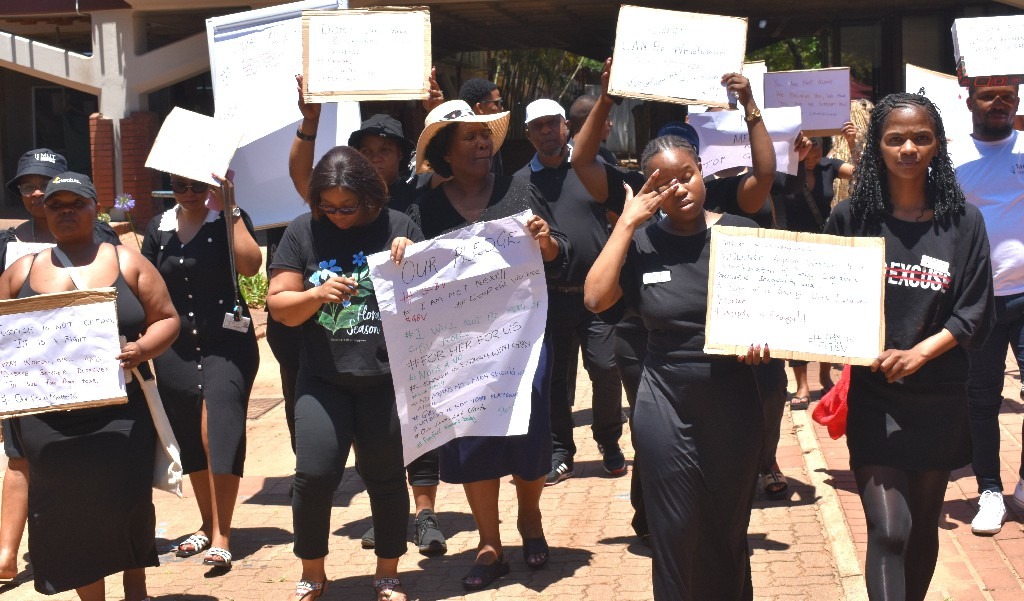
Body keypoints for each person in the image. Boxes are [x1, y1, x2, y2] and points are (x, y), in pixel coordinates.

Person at [583, 131, 771, 600]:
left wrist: (766, 340)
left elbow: (779, 314)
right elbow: (595, 297)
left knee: (726, 527)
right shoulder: (642, 243)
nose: (679, 188)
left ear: (702, 171)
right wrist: (627, 223)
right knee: (674, 529)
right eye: (664, 183)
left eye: (686, 175)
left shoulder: (741, 233)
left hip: (733, 400)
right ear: (650, 189)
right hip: (665, 401)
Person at [823, 93, 993, 600]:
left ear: (938, 145)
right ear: (877, 147)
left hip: (940, 395)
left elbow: (974, 309)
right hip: (875, 397)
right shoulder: (851, 217)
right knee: (890, 528)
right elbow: (823, 298)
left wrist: (921, 353)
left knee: (920, 527)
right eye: (895, 139)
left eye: (921, 137)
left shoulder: (964, 222)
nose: (908, 148)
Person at [408, 99, 570, 590]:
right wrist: (402, 252)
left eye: (485, 136)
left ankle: (530, 519)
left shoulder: (520, 190)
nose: (482, 143)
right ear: (446, 152)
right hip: (459, 350)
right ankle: (489, 544)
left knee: (528, 431)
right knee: (473, 436)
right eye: (469, 137)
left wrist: (545, 240)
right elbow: (413, 275)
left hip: (522, 339)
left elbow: (560, 252)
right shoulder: (424, 209)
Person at [288, 78, 448, 556]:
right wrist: (310, 121)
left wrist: (433, 111)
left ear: (402, 155)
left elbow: (446, 163)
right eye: (367, 151)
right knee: (364, 460)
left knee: (408, 445)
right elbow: (304, 179)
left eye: (386, 150)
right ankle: (388, 520)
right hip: (337, 359)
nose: (376, 158)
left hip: (398, 352)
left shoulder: (415, 195)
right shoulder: (327, 203)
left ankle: (422, 513)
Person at [0, 172, 178, 599]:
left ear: (94, 209)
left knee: (127, 502)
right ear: (44, 211)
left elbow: (167, 318)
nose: (65, 212)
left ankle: (135, 589)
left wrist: (141, 349)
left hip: (120, 414)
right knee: (67, 514)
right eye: (56, 205)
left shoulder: (128, 261)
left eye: (76, 204)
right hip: (48, 421)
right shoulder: (21, 270)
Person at [268, 146, 422, 601]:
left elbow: (435, 296)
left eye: (347, 207)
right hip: (322, 379)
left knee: (386, 477)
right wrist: (314, 296)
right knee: (314, 475)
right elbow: (279, 307)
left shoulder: (399, 226)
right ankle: (312, 573)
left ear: (369, 196)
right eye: (327, 207)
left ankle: (387, 573)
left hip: (384, 380)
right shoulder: (302, 231)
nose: (336, 216)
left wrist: (417, 259)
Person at [0, 149, 121, 580]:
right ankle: (7, 554)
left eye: (42, 183)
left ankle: (98, 548)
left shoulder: (101, 237)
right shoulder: (8, 243)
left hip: (91, 380)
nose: (35, 192)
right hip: (30, 378)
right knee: (19, 457)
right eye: (26, 185)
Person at [140, 172, 262, 569]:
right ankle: (207, 524)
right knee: (191, 435)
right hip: (174, 349)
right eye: (180, 186)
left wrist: (231, 207)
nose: (189, 194)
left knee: (218, 431)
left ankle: (223, 534)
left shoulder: (228, 218)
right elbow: (145, 283)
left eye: (198, 186)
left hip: (227, 345)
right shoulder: (158, 227)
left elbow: (251, 265)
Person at [513, 97, 627, 484]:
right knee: (556, 378)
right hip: (549, 296)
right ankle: (561, 450)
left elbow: (620, 210)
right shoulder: (519, 184)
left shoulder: (592, 167)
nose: (546, 131)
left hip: (598, 295)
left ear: (566, 126)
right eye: (537, 126)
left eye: (552, 123)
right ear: (528, 134)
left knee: (606, 368)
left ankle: (609, 441)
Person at [951, 83, 1024, 536]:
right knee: (981, 401)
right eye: (989, 95)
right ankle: (990, 491)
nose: (999, 102)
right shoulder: (951, 157)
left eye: (1008, 95)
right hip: (979, 299)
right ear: (969, 99)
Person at [775, 132, 857, 409]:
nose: (812, 155)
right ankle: (801, 384)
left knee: (826, 316)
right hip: (792, 251)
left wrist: (853, 143)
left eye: (817, 148)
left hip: (825, 248)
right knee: (795, 318)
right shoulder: (783, 170)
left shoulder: (829, 167)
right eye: (807, 148)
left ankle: (824, 375)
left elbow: (864, 174)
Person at [459, 77, 505, 175]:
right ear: (479, 107)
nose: (501, 108)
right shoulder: (460, 144)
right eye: (497, 103)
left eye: (485, 135)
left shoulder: (493, 140)